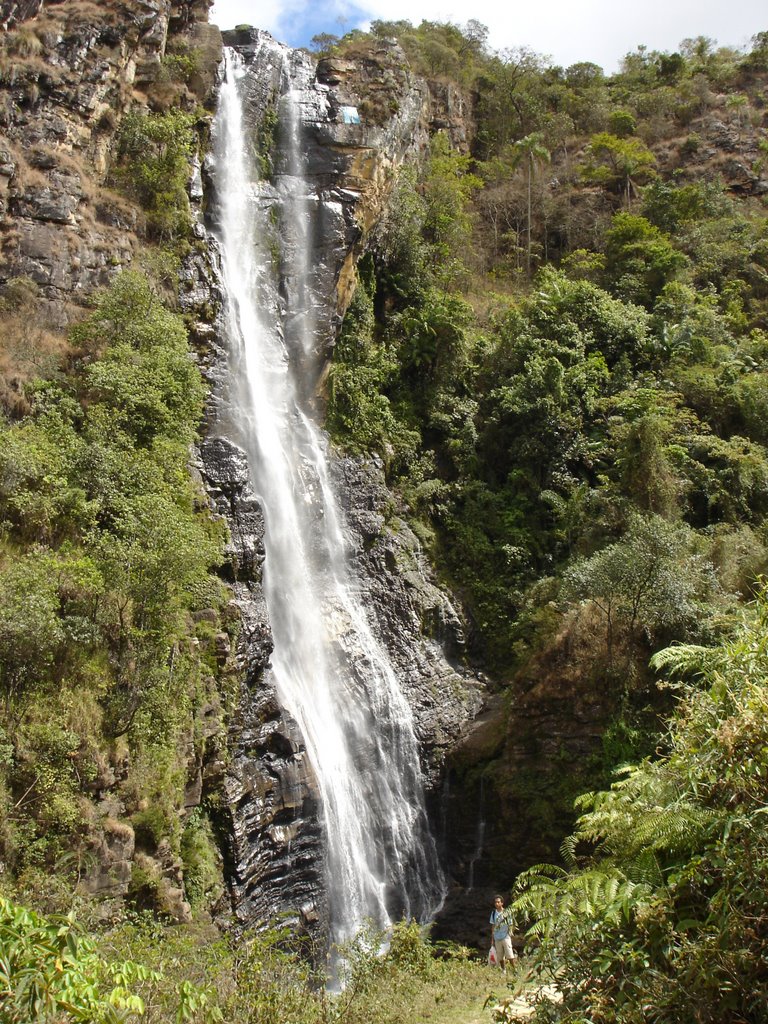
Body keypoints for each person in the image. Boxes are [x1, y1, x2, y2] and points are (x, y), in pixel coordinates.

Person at [489, 894, 516, 971]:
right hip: (497, 937)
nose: (496, 904)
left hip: (505, 936)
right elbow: (493, 926)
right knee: (500, 956)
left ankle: (514, 970)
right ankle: (503, 970)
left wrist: (510, 934)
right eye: (495, 902)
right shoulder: (493, 913)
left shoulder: (506, 913)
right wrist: (492, 939)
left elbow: (511, 924)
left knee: (510, 954)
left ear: (502, 903)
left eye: (498, 902)